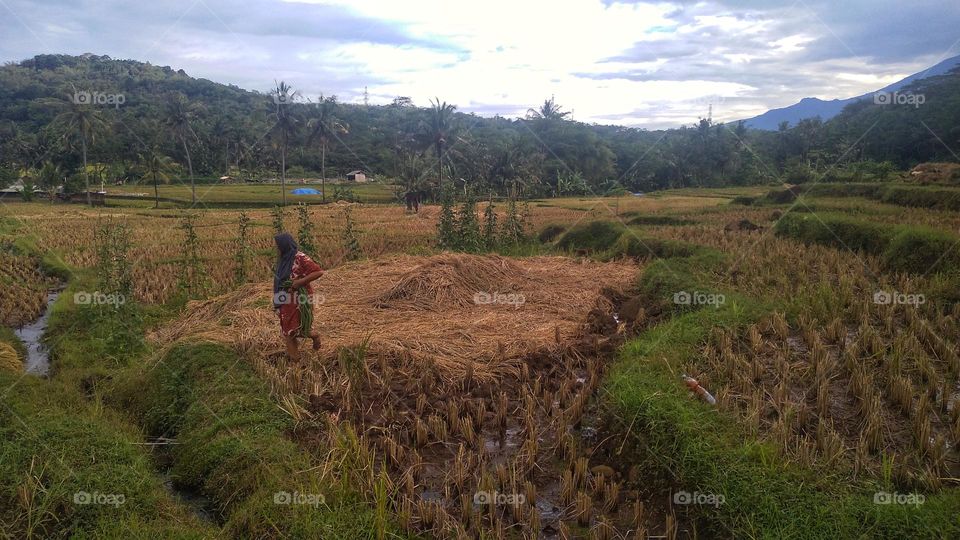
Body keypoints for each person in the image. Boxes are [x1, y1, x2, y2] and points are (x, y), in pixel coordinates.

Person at [273, 233, 324, 361]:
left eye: (278, 246)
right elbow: (280, 282)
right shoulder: (283, 259)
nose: (277, 249)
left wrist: (299, 283)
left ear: (285, 245)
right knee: (289, 332)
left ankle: (313, 336)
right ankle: (295, 361)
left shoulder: (299, 257)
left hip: (299, 299)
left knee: (293, 330)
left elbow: (318, 272)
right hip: (284, 298)